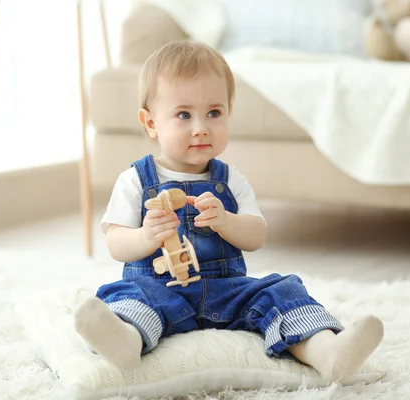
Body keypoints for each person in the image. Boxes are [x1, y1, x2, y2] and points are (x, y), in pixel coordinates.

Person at [74, 40, 384, 382]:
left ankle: (328, 352)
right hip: (159, 288)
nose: (201, 127)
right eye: (183, 114)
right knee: (130, 296)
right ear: (150, 123)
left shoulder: (230, 180)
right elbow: (116, 241)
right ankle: (125, 341)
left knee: (282, 291)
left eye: (214, 113)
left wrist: (227, 221)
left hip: (227, 290)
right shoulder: (135, 180)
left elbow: (256, 235)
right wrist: (146, 236)